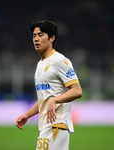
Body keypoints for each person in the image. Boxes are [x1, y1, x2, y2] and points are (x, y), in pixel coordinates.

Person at [16, 20, 82, 150]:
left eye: (41, 35)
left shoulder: (60, 61)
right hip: (47, 126)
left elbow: (77, 91)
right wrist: (27, 115)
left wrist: (55, 100)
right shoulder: (40, 64)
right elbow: (45, 99)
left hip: (56, 124)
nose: (36, 39)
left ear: (52, 38)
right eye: (34, 36)